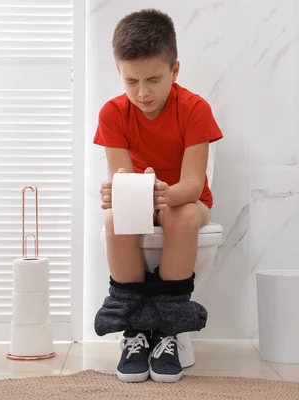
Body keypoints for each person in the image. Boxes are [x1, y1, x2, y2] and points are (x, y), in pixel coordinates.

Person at [93, 8, 223, 383]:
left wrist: (159, 194)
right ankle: (135, 330)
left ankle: (167, 329)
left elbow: (193, 185)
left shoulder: (194, 109)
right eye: (130, 80)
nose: (142, 92)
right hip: (140, 199)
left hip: (185, 201)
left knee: (178, 216)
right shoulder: (113, 113)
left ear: (175, 71)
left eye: (153, 79)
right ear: (119, 72)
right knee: (114, 219)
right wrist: (114, 192)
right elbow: (120, 177)